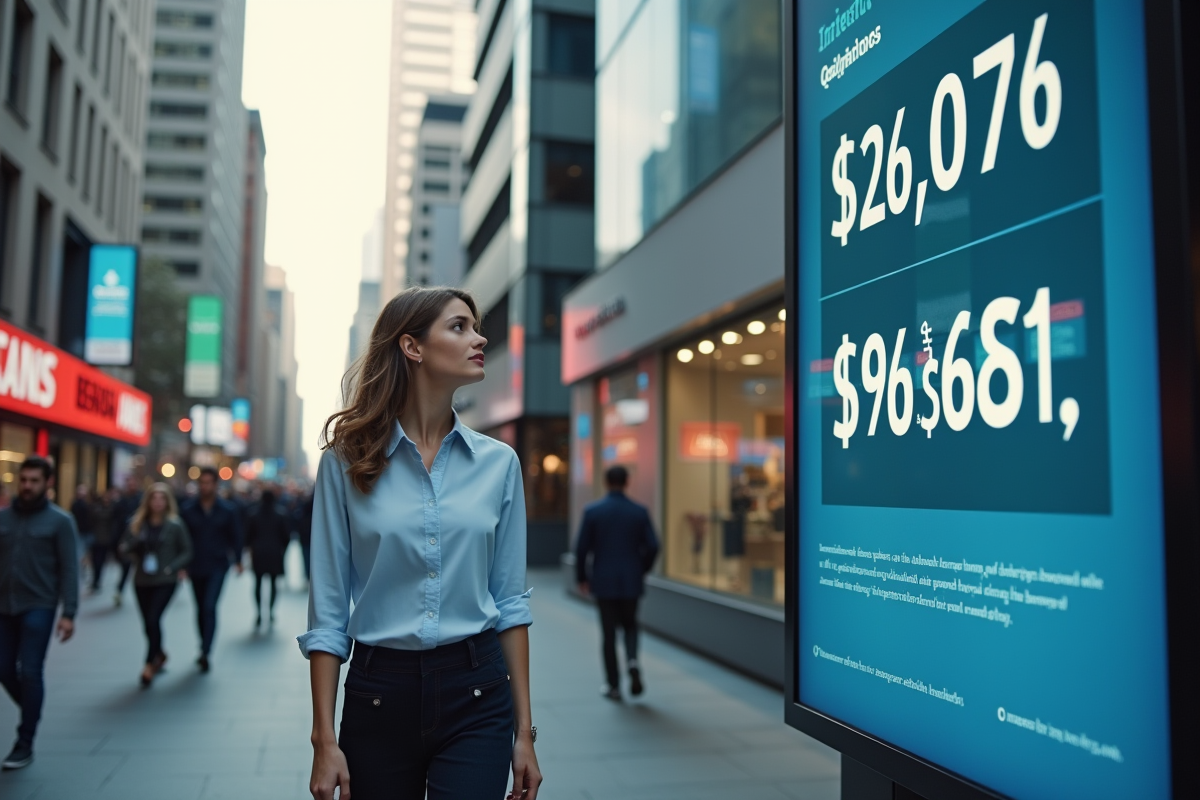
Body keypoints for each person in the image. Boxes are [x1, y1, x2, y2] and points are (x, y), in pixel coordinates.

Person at [300, 287, 541, 800]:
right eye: (459, 327)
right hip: (377, 694)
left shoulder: (499, 464)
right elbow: (326, 611)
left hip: (478, 691)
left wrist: (525, 733)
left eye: (474, 326)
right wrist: (324, 739)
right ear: (412, 347)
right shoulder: (345, 461)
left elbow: (510, 603)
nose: (479, 338)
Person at [0, 456, 79, 770]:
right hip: (3, 606)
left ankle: (25, 741)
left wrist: (69, 612)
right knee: (4, 669)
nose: (27, 486)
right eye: (24, 480)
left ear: (48, 483)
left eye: (34, 480)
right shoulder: (3, 518)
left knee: (30, 670)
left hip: (40, 605)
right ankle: (32, 707)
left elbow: (70, 569)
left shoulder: (60, 522)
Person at [575, 465, 660, 702]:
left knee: (608, 633)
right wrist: (641, 568)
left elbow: (582, 548)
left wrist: (582, 578)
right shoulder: (639, 511)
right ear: (627, 482)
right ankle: (632, 661)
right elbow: (653, 545)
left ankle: (613, 685)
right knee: (631, 625)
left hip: (604, 581)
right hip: (631, 580)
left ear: (605, 482)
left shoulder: (593, 511)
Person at [118, 483, 192, 687]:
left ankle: (149, 664)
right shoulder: (137, 524)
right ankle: (159, 652)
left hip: (165, 580)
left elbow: (186, 550)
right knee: (148, 623)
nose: (158, 502)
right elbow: (123, 548)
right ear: (148, 501)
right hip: (142, 579)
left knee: (153, 618)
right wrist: (133, 548)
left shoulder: (175, 525)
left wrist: (173, 567)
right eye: (154, 498)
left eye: (162, 498)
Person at [179, 467, 243, 673]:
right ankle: (203, 644)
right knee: (200, 608)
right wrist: (181, 565)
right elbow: (182, 539)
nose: (204, 486)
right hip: (195, 565)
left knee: (209, 606)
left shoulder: (228, 510)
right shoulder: (188, 510)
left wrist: (239, 560)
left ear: (216, 485)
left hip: (217, 565)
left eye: (208, 483)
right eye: (202, 483)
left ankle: (206, 651)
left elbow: (236, 536)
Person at [245, 488, 290, 628]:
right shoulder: (280, 514)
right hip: (275, 553)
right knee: (273, 584)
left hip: (258, 553)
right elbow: (286, 536)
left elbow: (248, 536)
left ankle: (259, 612)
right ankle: (270, 611)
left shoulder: (253, 514)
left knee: (258, 584)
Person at [111, 477, 143, 606]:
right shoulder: (121, 502)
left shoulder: (141, 500)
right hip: (125, 540)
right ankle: (120, 590)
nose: (131, 486)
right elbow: (116, 522)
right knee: (125, 567)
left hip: (141, 541)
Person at [88, 487, 119, 593]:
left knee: (100, 561)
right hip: (96, 539)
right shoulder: (97, 508)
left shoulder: (113, 509)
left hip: (105, 539)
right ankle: (95, 579)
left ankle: (97, 580)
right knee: (95, 561)